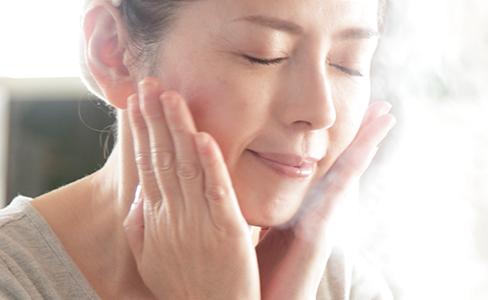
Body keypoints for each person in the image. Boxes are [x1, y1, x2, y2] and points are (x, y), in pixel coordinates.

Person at [0, 0, 395, 299]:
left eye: (348, 64)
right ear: (115, 52)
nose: (319, 111)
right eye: (264, 54)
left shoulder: (345, 287)